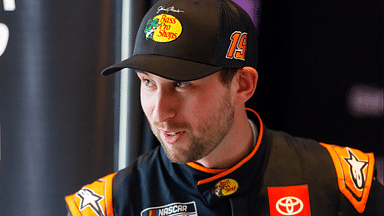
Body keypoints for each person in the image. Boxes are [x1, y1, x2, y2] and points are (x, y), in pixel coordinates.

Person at [65, 0, 383, 215]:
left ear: (242, 85)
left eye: (182, 83)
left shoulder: (340, 185)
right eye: (148, 82)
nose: (160, 113)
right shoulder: (107, 206)